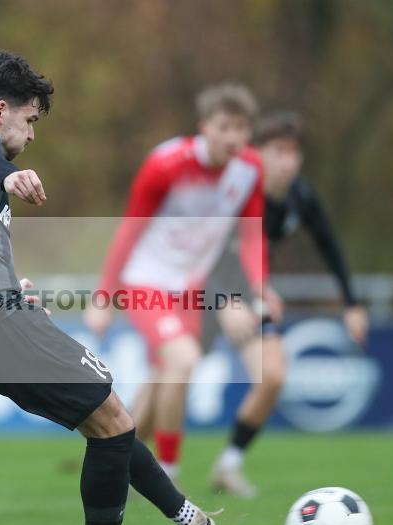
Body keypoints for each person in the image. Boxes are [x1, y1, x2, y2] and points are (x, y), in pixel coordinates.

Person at [0, 50, 218, 525]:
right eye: (29, 120)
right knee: (111, 417)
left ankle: (185, 516)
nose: (31, 135)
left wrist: (2, 287)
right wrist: (9, 175)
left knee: (107, 417)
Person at [84, 83, 280, 486]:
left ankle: (120, 469)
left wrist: (261, 286)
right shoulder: (166, 164)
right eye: (224, 126)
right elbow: (129, 231)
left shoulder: (249, 170)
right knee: (183, 361)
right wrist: (104, 296)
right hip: (144, 280)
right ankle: (166, 474)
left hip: (190, 288)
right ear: (203, 126)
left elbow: (250, 235)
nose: (233, 137)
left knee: (161, 382)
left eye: (241, 128)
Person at [206, 110, 369, 496]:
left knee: (274, 376)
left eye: (293, 152)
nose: (287, 161)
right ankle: (122, 449)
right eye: (277, 151)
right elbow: (202, 252)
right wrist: (223, 300)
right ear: (256, 153)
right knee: (169, 378)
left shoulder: (300, 196)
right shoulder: (235, 190)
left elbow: (329, 244)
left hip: (251, 296)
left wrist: (352, 303)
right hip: (201, 291)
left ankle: (228, 465)